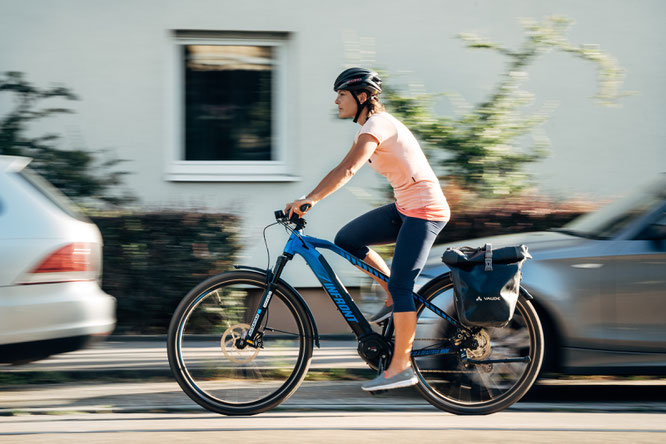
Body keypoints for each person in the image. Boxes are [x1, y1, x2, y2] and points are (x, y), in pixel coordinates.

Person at [284, 67, 450, 391]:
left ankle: (401, 366)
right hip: (406, 208)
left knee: (404, 288)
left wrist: (310, 199)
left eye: (341, 95)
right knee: (347, 240)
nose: (335, 101)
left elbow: (348, 169)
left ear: (362, 97)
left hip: (425, 211)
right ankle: (390, 291)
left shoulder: (379, 124)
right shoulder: (370, 127)